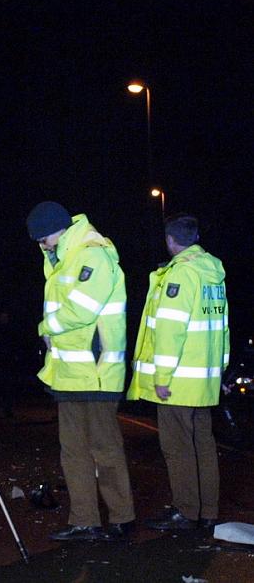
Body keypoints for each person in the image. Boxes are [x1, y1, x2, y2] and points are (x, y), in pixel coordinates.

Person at [27, 201, 135, 541]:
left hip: (96, 375)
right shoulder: (66, 259)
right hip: (69, 375)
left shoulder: (93, 254)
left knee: (105, 450)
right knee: (73, 452)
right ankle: (85, 521)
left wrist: (45, 327)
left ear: (54, 232)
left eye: (42, 240)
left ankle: (121, 518)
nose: (42, 247)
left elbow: (82, 311)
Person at [127, 214, 228, 531]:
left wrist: (161, 378)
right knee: (204, 446)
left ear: (171, 241)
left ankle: (186, 512)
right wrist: (220, 371)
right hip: (203, 382)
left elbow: (171, 331)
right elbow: (222, 328)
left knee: (178, 447)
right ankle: (207, 511)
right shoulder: (212, 275)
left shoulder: (180, 275)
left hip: (178, 383)